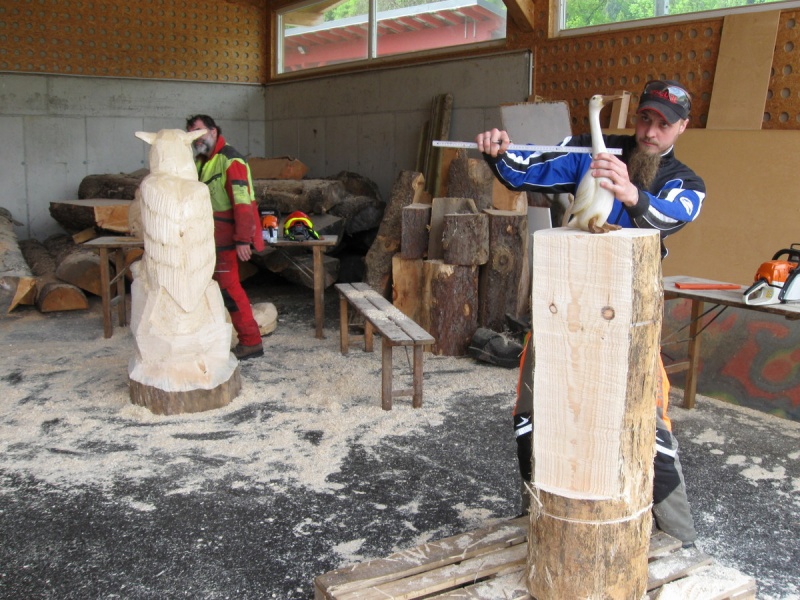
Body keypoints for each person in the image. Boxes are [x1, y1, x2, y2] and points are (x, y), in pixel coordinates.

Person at [476, 80, 706, 546]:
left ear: (682, 127)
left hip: (629, 319)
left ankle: (680, 540)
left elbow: (672, 216)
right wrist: (499, 153)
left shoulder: (685, 181)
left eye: (664, 124)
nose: (650, 132)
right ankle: (537, 518)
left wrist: (631, 194)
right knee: (534, 413)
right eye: (645, 119)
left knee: (647, 425)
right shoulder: (589, 151)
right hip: (563, 306)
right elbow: (525, 171)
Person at [186, 115, 264, 360]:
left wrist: (243, 239)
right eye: (191, 133)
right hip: (208, 237)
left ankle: (251, 341)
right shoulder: (201, 161)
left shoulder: (230, 159)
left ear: (213, 131)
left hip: (226, 237)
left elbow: (242, 202)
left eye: (199, 131)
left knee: (229, 288)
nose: (196, 138)